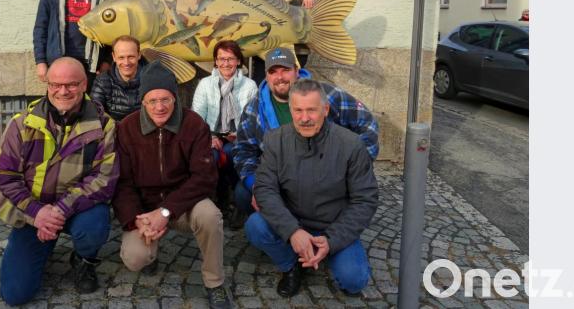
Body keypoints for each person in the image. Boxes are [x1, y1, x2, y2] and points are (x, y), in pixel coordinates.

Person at [0, 57, 119, 305]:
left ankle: (83, 259)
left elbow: (104, 179)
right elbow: (5, 175)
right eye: (56, 85)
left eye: (71, 84)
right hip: (33, 213)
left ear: (84, 85)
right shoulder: (22, 123)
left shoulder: (103, 125)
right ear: (47, 85)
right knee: (15, 294)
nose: (63, 91)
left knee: (94, 225)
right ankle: (43, 243)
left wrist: (59, 210)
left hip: (76, 209)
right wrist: (37, 214)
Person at [112, 61, 233, 309]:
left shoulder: (194, 124)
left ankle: (215, 282)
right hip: (144, 209)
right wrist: (137, 221)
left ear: (175, 98)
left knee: (210, 216)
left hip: (184, 204)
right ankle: (151, 252)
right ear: (143, 101)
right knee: (135, 258)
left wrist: (166, 212)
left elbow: (204, 177)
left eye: (165, 99)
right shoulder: (126, 128)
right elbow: (122, 183)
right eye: (152, 101)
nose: (160, 107)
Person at [245, 79, 379, 297]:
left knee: (354, 281)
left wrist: (332, 240)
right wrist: (293, 231)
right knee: (255, 226)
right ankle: (291, 265)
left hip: (333, 225)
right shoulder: (275, 141)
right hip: (293, 221)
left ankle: (325, 252)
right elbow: (265, 189)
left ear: (325, 110)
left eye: (311, 110)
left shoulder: (351, 145)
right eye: (298, 110)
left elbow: (365, 199)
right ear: (291, 110)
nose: (304, 118)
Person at [233, 47, 379, 216]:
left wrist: (354, 168)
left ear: (296, 71)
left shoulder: (327, 94)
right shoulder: (254, 108)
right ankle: (275, 224)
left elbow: (367, 123)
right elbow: (243, 150)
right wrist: (256, 185)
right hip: (281, 176)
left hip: (326, 175)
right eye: (273, 72)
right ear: (266, 76)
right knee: (242, 194)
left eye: (285, 70)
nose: (279, 77)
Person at [191, 40, 258, 217]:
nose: (226, 63)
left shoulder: (249, 86)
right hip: (211, 135)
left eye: (230, 59)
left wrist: (239, 135)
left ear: (238, 61)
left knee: (232, 153)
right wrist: (210, 138)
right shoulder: (205, 84)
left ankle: (237, 202)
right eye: (221, 59)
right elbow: (197, 118)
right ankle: (217, 201)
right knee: (211, 157)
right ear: (216, 61)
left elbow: (252, 119)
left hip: (239, 136)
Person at [91, 35, 146, 121]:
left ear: (139, 55)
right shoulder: (102, 81)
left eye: (131, 57)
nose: (126, 62)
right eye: (121, 57)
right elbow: (94, 113)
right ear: (114, 57)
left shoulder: (152, 78)